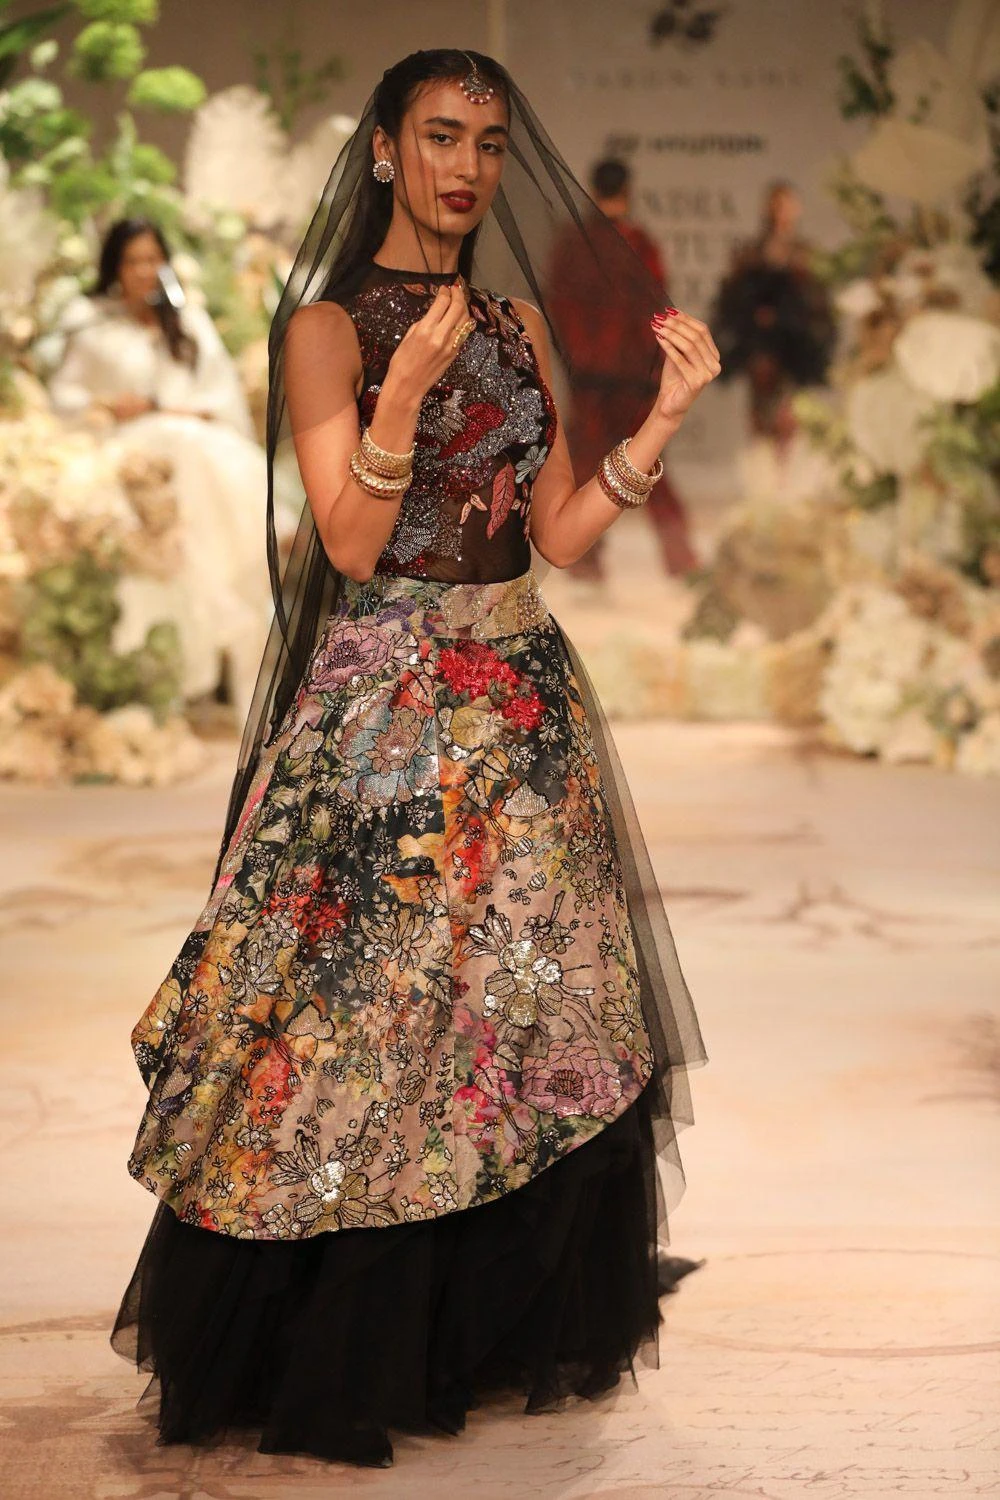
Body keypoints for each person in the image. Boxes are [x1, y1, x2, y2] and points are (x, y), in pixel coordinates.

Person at [110, 50, 712, 1468]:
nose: (466, 166)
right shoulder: (330, 326)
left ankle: (488, 1328)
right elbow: (347, 540)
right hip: (389, 709)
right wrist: (403, 396)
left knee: (522, 1014)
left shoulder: (517, 321)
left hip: (522, 707)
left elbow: (553, 533)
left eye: (488, 144)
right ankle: (338, 1347)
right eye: (440, 136)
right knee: (364, 1026)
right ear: (385, 149)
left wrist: (663, 423)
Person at [49, 218, 277, 717]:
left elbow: (220, 397)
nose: (144, 271)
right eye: (133, 261)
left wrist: (172, 409)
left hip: (193, 442)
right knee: (178, 465)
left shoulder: (187, 321)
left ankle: (231, 641)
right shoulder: (93, 323)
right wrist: (107, 404)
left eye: (152, 259)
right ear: (115, 266)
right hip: (130, 449)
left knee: (201, 459)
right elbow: (65, 395)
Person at [547, 157, 699, 582]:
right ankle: (681, 560)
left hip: (592, 377)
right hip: (631, 377)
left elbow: (560, 306)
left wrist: (579, 357)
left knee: (586, 469)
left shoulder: (575, 245)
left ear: (594, 189)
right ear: (627, 191)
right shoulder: (639, 243)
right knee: (647, 462)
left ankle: (585, 565)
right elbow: (657, 309)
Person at [711, 180, 835, 450]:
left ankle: (785, 465)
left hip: (796, 346)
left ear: (797, 209)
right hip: (761, 345)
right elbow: (734, 298)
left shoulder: (806, 254)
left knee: (790, 412)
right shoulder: (751, 253)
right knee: (761, 411)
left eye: (787, 205)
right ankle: (764, 465)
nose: (782, 212)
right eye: (777, 205)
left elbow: (818, 302)